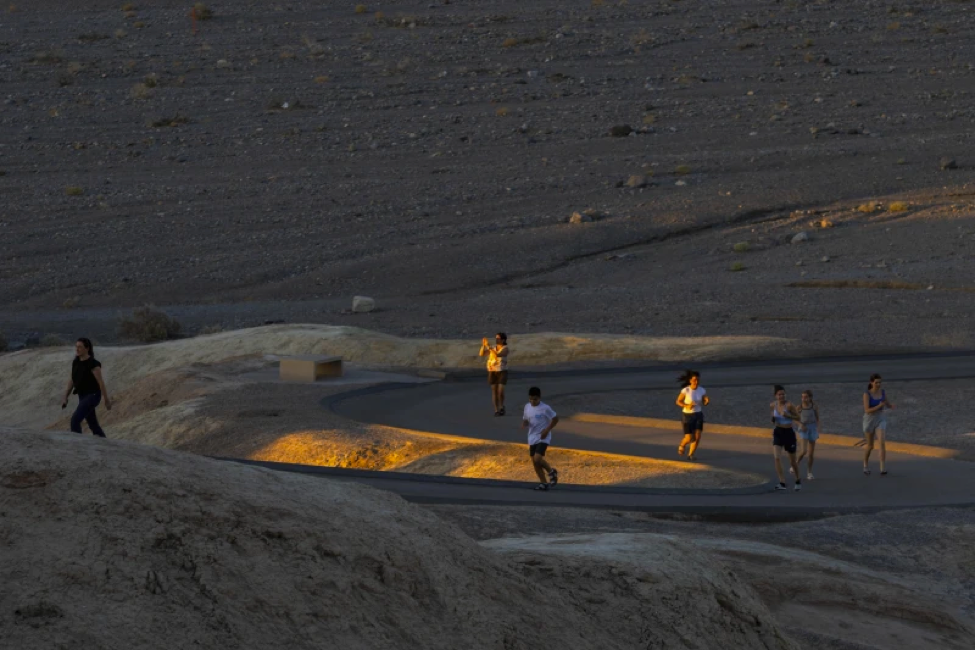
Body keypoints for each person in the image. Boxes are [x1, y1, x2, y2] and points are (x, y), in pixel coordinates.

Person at [61, 337, 112, 438]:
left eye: (80, 347)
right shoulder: (75, 362)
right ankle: (105, 444)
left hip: (93, 395)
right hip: (82, 396)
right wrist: (65, 396)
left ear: (87, 348)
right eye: (76, 347)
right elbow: (72, 380)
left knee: (75, 420)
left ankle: (77, 444)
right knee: (93, 424)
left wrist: (106, 400)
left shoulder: (93, 364)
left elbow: (101, 382)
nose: (77, 349)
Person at [522, 386, 559, 491]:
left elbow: (555, 419)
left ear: (539, 398)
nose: (532, 401)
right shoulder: (527, 407)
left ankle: (551, 471)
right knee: (535, 463)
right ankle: (543, 483)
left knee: (537, 458)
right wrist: (524, 423)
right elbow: (526, 419)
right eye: (530, 399)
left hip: (543, 436)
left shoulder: (545, 408)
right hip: (532, 437)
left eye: (535, 399)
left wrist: (547, 430)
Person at [770, 385, 801, 491]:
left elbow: (798, 417)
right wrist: (773, 420)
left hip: (789, 433)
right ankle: (782, 482)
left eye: (783, 394)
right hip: (778, 432)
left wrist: (789, 416)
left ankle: (797, 480)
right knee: (777, 457)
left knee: (792, 461)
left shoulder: (789, 405)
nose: (782, 396)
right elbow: (773, 417)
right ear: (775, 396)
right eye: (779, 394)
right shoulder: (773, 405)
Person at [863, 373, 895, 476]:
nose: (878, 384)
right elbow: (867, 410)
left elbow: (887, 402)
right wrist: (879, 405)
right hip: (869, 419)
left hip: (880, 418)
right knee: (870, 446)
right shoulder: (866, 394)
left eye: (880, 382)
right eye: (876, 382)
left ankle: (882, 468)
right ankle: (865, 465)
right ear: (871, 382)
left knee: (881, 442)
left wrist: (890, 406)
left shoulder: (883, 392)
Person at [675, 370, 709, 461]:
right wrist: (687, 405)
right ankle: (682, 445)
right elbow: (678, 401)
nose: (696, 382)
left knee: (697, 436)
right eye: (694, 380)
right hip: (687, 415)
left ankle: (691, 455)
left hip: (698, 414)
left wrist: (706, 401)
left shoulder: (702, 390)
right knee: (689, 438)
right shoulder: (686, 390)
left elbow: (704, 398)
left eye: (698, 380)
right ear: (690, 380)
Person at [479, 332, 509, 416]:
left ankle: (502, 406)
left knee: (500, 391)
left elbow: (498, 354)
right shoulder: (492, 347)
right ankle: (496, 410)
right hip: (492, 371)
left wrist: (489, 347)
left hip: (502, 371)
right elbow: (481, 354)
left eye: (498, 338)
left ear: (503, 340)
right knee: (494, 391)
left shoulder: (505, 348)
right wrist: (484, 345)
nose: (496, 340)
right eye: (496, 338)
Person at [795, 390, 820, 480]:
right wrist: (800, 424)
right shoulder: (799, 407)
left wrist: (818, 427)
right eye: (802, 397)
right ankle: (796, 463)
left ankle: (809, 472)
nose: (803, 399)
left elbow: (817, 418)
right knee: (804, 451)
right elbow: (794, 418)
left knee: (811, 454)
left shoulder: (814, 406)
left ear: (810, 398)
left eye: (805, 397)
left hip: (812, 428)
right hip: (803, 429)